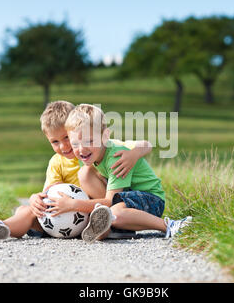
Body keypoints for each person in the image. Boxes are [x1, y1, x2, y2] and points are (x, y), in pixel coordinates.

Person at [0, 101, 152, 239]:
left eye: (67, 138)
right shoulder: (56, 163)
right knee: (26, 210)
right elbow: (48, 194)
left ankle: (104, 228)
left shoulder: (97, 149)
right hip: (63, 218)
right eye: (55, 142)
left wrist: (134, 154)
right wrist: (35, 199)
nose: (65, 146)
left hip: (94, 213)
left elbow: (145, 144)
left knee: (94, 199)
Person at [48, 103, 191, 243]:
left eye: (89, 141)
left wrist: (73, 205)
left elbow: (109, 201)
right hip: (125, 197)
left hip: (151, 199)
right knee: (85, 174)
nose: (81, 149)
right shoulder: (87, 156)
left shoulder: (116, 158)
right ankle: (114, 226)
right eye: (75, 144)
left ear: (105, 137)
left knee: (114, 213)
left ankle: (170, 226)